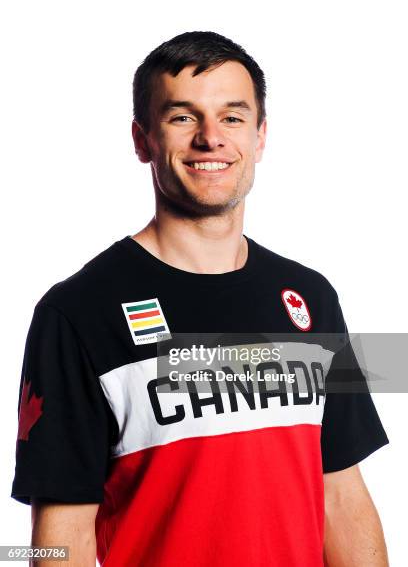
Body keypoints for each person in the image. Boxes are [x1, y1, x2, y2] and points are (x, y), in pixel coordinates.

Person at [11, 31, 390, 566]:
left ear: (260, 137)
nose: (211, 138)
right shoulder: (77, 313)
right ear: (142, 140)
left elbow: (341, 496)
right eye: (183, 117)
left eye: (233, 117)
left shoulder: (311, 297)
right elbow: (61, 533)